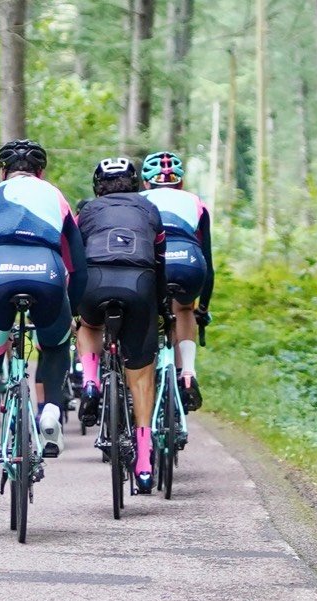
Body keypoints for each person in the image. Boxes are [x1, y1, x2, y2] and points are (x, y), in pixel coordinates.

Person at [0, 139, 86, 492]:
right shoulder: (56, 197)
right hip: (46, 274)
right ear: (41, 172)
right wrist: (73, 312)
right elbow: (77, 264)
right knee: (54, 343)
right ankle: (49, 409)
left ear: (3, 171)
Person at [74, 157, 166, 494]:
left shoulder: (86, 212)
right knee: (140, 375)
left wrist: (72, 303)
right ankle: (143, 464)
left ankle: (90, 381)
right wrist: (161, 308)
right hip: (139, 281)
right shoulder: (149, 209)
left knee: (87, 324)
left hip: (95, 279)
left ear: (97, 187)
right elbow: (160, 261)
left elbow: (73, 257)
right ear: (137, 184)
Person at [139, 151, 213, 412]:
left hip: (151, 260)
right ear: (180, 183)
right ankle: (188, 373)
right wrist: (202, 308)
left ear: (146, 182)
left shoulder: (138, 200)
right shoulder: (196, 202)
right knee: (183, 309)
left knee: (143, 311)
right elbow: (209, 260)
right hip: (188, 260)